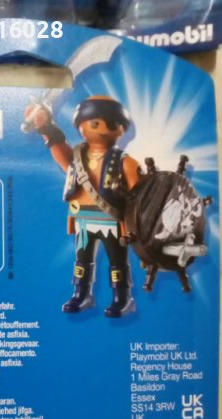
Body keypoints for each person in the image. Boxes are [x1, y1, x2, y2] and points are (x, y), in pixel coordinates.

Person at [26, 95, 142, 317]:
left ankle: (122, 297)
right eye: (93, 123)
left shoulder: (123, 161)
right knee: (82, 260)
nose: (101, 129)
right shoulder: (78, 157)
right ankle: (81, 294)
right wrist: (46, 127)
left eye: (109, 124)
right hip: (84, 220)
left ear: (120, 129)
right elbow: (60, 150)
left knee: (117, 261)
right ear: (81, 125)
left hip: (112, 220)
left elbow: (140, 189)